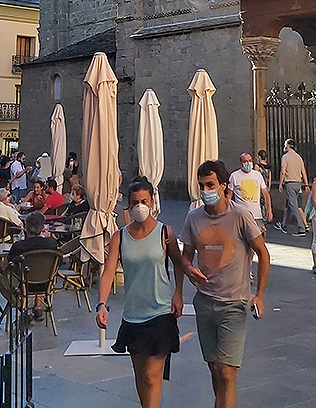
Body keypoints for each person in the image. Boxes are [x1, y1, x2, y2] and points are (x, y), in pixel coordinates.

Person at [96, 179, 207, 408]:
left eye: (144, 201)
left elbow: (178, 262)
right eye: (135, 202)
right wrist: (102, 304)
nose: (140, 206)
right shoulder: (120, 236)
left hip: (160, 313)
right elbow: (107, 273)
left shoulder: (165, 232)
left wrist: (178, 293)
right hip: (133, 315)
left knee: (152, 376)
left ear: (152, 201)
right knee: (140, 376)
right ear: (129, 203)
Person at [178, 160, 270, 408]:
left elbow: (263, 253)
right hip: (205, 302)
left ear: (223, 185)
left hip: (234, 304)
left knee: (228, 373)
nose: (205, 190)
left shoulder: (240, 216)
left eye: (210, 184)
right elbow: (185, 257)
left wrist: (259, 295)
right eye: (201, 185)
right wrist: (189, 269)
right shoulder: (193, 218)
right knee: (215, 369)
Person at [0, 211, 59, 316]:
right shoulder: (52, 243)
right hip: (46, 283)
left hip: (23, 284)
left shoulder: (19, 246)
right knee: (39, 270)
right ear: (42, 227)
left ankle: (20, 305)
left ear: (26, 227)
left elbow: (5, 266)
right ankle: (37, 307)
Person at [228, 152, 273, 237]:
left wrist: (269, 209)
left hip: (256, 215)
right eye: (245, 161)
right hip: (241, 215)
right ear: (241, 163)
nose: (248, 163)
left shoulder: (257, 175)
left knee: (259, 239)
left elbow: (266, 193)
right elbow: (229, 195)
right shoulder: (234, 176)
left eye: (249, 161)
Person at [278, 139, 309, 236]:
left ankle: (301, 227)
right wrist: (306, 184)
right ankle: (284, 224)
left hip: (290, 183)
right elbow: (303, 171)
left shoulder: (285, 157)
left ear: (287, 146)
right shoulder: (299, 157)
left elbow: (283, 171)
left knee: (293, 206)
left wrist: (280, 183)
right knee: (290, 204)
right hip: (298, 183)